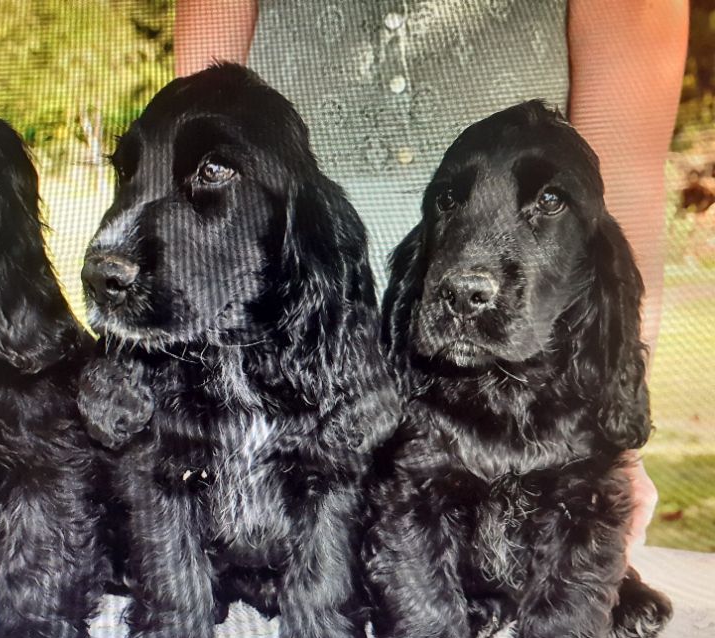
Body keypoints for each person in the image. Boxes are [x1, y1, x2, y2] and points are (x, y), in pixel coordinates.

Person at [173, 0, 689, 547]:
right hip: (293, 361)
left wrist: (615, 434)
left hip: (491, 389)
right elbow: (197, 140)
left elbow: (618, 194)